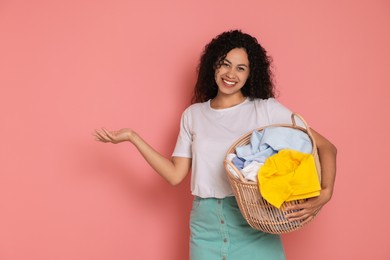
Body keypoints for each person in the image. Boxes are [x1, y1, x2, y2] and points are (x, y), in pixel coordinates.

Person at [94, 30, 337, 260]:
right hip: (205, 225)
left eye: (241, 68)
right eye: (225, 64)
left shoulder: (265, 109)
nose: (231, 74)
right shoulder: (193, 115)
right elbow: (175, 175)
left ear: (251, 74)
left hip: (253, 220)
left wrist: (325, 193)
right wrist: (132, 137)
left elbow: (326, 147)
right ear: (214, 65)